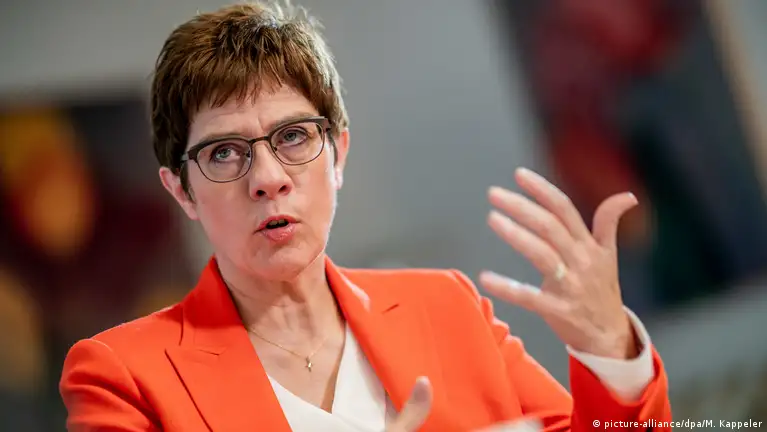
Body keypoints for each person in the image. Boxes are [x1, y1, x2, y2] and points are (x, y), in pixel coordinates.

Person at [59, 2, 672, 431]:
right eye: (224, 152)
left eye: (293, 136)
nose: (268, 177)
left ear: (339, 155)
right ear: (182, 191)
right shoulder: (124, 378)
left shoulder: (447, 309)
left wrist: (610, 355)